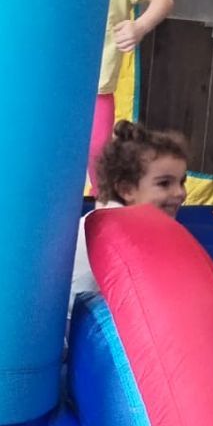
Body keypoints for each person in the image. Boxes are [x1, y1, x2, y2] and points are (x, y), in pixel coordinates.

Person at [71, 122, 189, 301]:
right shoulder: (118, 231)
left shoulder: (119, 220)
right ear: (126, 190)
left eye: (182, 182)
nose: (180, 192)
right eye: (164, 183)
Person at [87, 0, 174, 189]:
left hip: (99, 87)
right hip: (54, 82)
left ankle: (103, 201)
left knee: (99, 154)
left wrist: (140, 26)